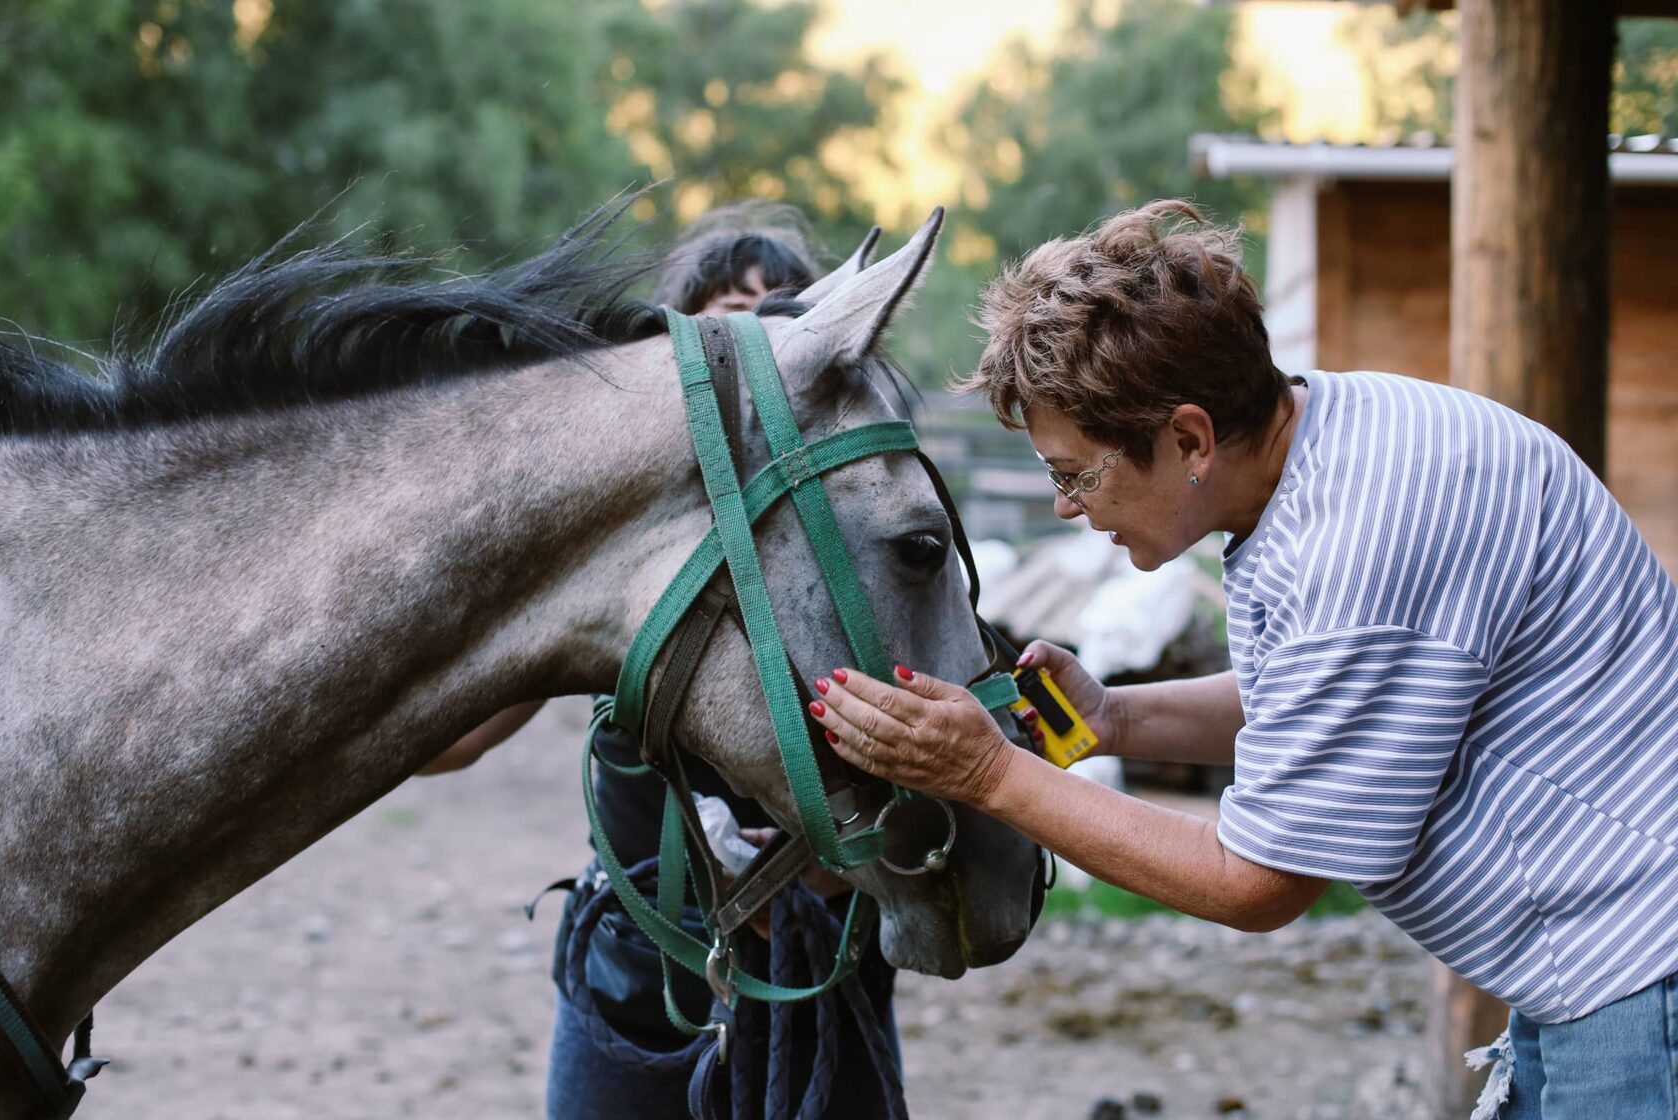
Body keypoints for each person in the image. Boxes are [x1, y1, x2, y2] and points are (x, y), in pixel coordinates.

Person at [807, 199, 1678, 1119]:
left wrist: (988, 774)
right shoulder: (1327, 441)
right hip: (1596, 963)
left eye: (1075, 474)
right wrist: (1118, 720)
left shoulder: (1356, 547)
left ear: (1188, 439)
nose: (1065, 506)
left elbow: (1255, 883)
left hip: (1636, 970)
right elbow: (1310, 704)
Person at [424, 202, 903, 1119]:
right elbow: (457, 739)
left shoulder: (857, 558)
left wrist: (836, 862)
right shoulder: (619, 554)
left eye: (780, 317)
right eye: (727, 322)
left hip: (818, 974)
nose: (753, 347)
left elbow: (934, 758)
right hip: (637, 978)